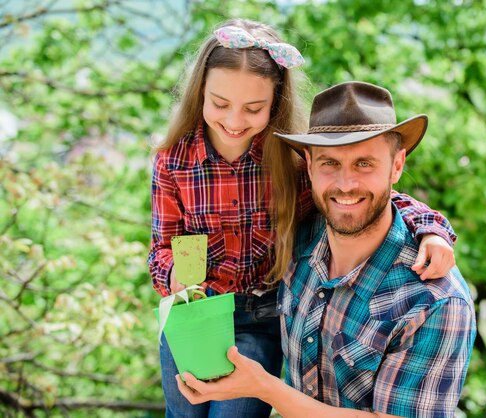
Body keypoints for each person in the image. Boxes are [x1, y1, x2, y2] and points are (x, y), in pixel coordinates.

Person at [148, 17, 458, 418]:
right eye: (220, 104)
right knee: (184, 413)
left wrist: (432, 230)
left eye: (253, 108)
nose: (235, 120)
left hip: (258, 317)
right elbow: (164, 246)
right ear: (199, 95)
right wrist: (175, 274)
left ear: (274, 104)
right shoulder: (174, 161)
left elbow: (366, 198)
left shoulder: (290, 163)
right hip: (195, 311)